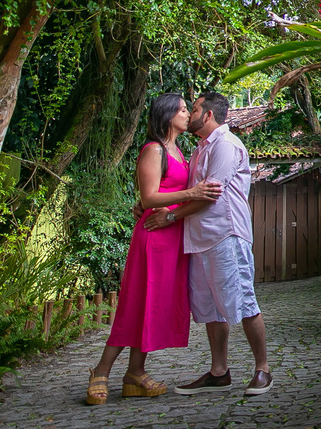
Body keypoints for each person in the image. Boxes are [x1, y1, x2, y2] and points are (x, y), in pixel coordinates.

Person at [85, 93, 223, 406]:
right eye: (183, 109)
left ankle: (135, 373)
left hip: (172, 235)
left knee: (153, 305)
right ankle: (101, 371)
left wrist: (183, 198)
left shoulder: (180, 151)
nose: (189, 114)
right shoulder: (154, 149)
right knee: (136, 303)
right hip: (153, 237)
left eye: (189, 109)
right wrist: (193, 191)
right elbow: (148, 197)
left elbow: (163, 194)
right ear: (166, 114)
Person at [143, 91, 274, 396]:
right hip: (199, 238)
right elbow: (183, 189)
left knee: (242, 300)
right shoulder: (200, 149)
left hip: (225, 233)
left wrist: (171, 217)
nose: (190, 114)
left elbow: (209, 195)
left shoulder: (225, 146)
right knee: (211, 307)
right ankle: (219, 372)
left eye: (195, 108)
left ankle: (263, 369)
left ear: (209, 115)